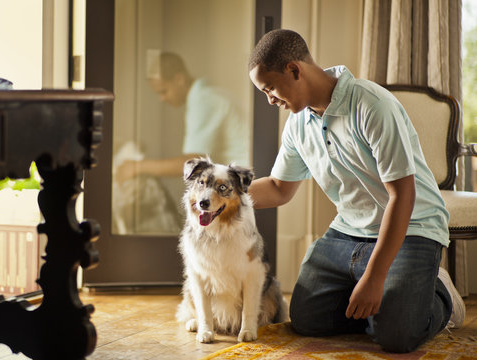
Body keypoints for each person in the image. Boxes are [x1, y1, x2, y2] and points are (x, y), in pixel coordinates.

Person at [247, 29, 466, 353]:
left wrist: (376, 278)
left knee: (396, 336)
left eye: (270, 89)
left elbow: (402, 195)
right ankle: (395, 294)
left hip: (413, 226)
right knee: (307, 319)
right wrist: (222, 196)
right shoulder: (297, 125)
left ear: (294, 70)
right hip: (349, 231)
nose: (270, 100)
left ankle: (438, 292)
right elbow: (279, 189)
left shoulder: (371, 105)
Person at [116, 52, 249, 182]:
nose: (161, 99)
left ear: (179, 79)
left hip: (243, 181)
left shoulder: (202, 100)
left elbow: (194, 163)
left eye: (163, 91)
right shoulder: (209, 94)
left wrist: (137, 166)